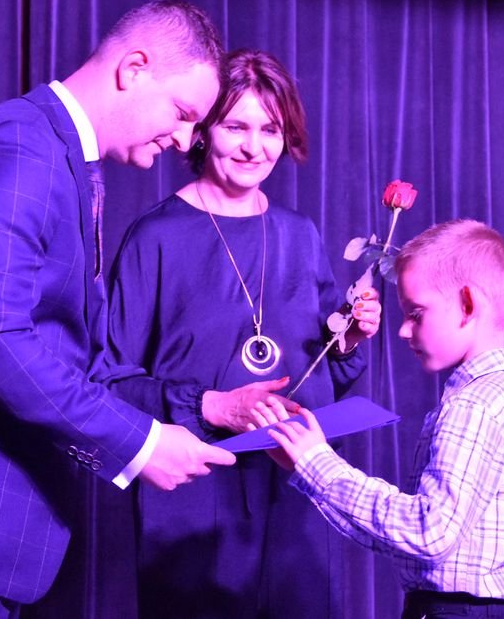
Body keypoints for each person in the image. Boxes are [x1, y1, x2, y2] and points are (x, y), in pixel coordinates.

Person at [0, 0, 288, 618]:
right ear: (134, 68)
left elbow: (75, 362)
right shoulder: (18, 148)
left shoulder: (58, 158)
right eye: (182, 113)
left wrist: (195, 412)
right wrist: (141, 444)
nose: (183, 140)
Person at [104, 48, 382, 618]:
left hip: (297, 501)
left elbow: (325, 375)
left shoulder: (300, 235)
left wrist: (351, 339)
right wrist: (213, 406)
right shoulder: (154, 238)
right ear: (203, 129)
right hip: (192, 505)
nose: (255, 147)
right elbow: (108, 383)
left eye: (270, 130)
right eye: (237, 127)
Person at [253, 219, 504, 618]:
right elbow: (407, 541)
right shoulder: (497, 396)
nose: (404, 331)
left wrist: (318, 465)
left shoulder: (475, 406)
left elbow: (429, 533)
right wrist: (306, 469)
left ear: (467, 305)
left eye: (417, 314)